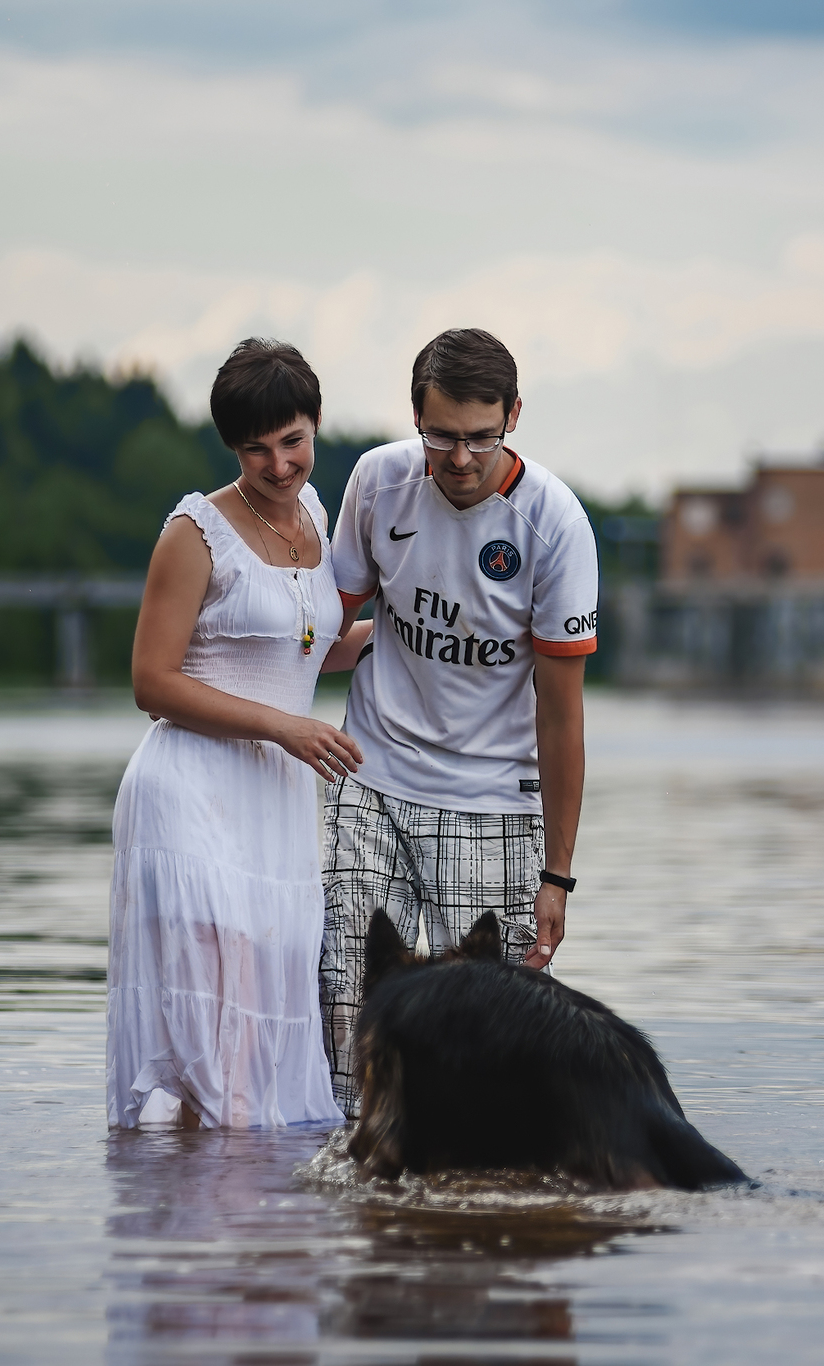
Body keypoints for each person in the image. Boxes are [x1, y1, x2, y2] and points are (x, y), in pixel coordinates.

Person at [319, 327, 598, 1116]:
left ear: (513, 415)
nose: (462, 458)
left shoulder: (553, 524)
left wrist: (558, 875)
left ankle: (475, 1208)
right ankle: (361, 1188)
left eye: (483, 437)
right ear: (415, 416)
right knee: (346, 1001)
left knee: (483, 1047)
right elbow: (318, 630)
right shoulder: (377, 484)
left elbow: (563, 719)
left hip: (492, 802)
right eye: (442, 436)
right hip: (372, 778)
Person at [108, 338, 373, 1130]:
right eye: (256, 450)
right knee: (211, 1027)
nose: (280, 465)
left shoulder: (321, 520)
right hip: (190, 796)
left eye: (292, 441)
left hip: (276, 807)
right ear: (232, 447)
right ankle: (190, 1234)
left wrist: (401, 631)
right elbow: (151, 684)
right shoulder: (196, 531)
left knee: (260, 1019)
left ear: (315, 423)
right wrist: (283, 728)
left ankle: (248, 1227)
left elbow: (302, 654)